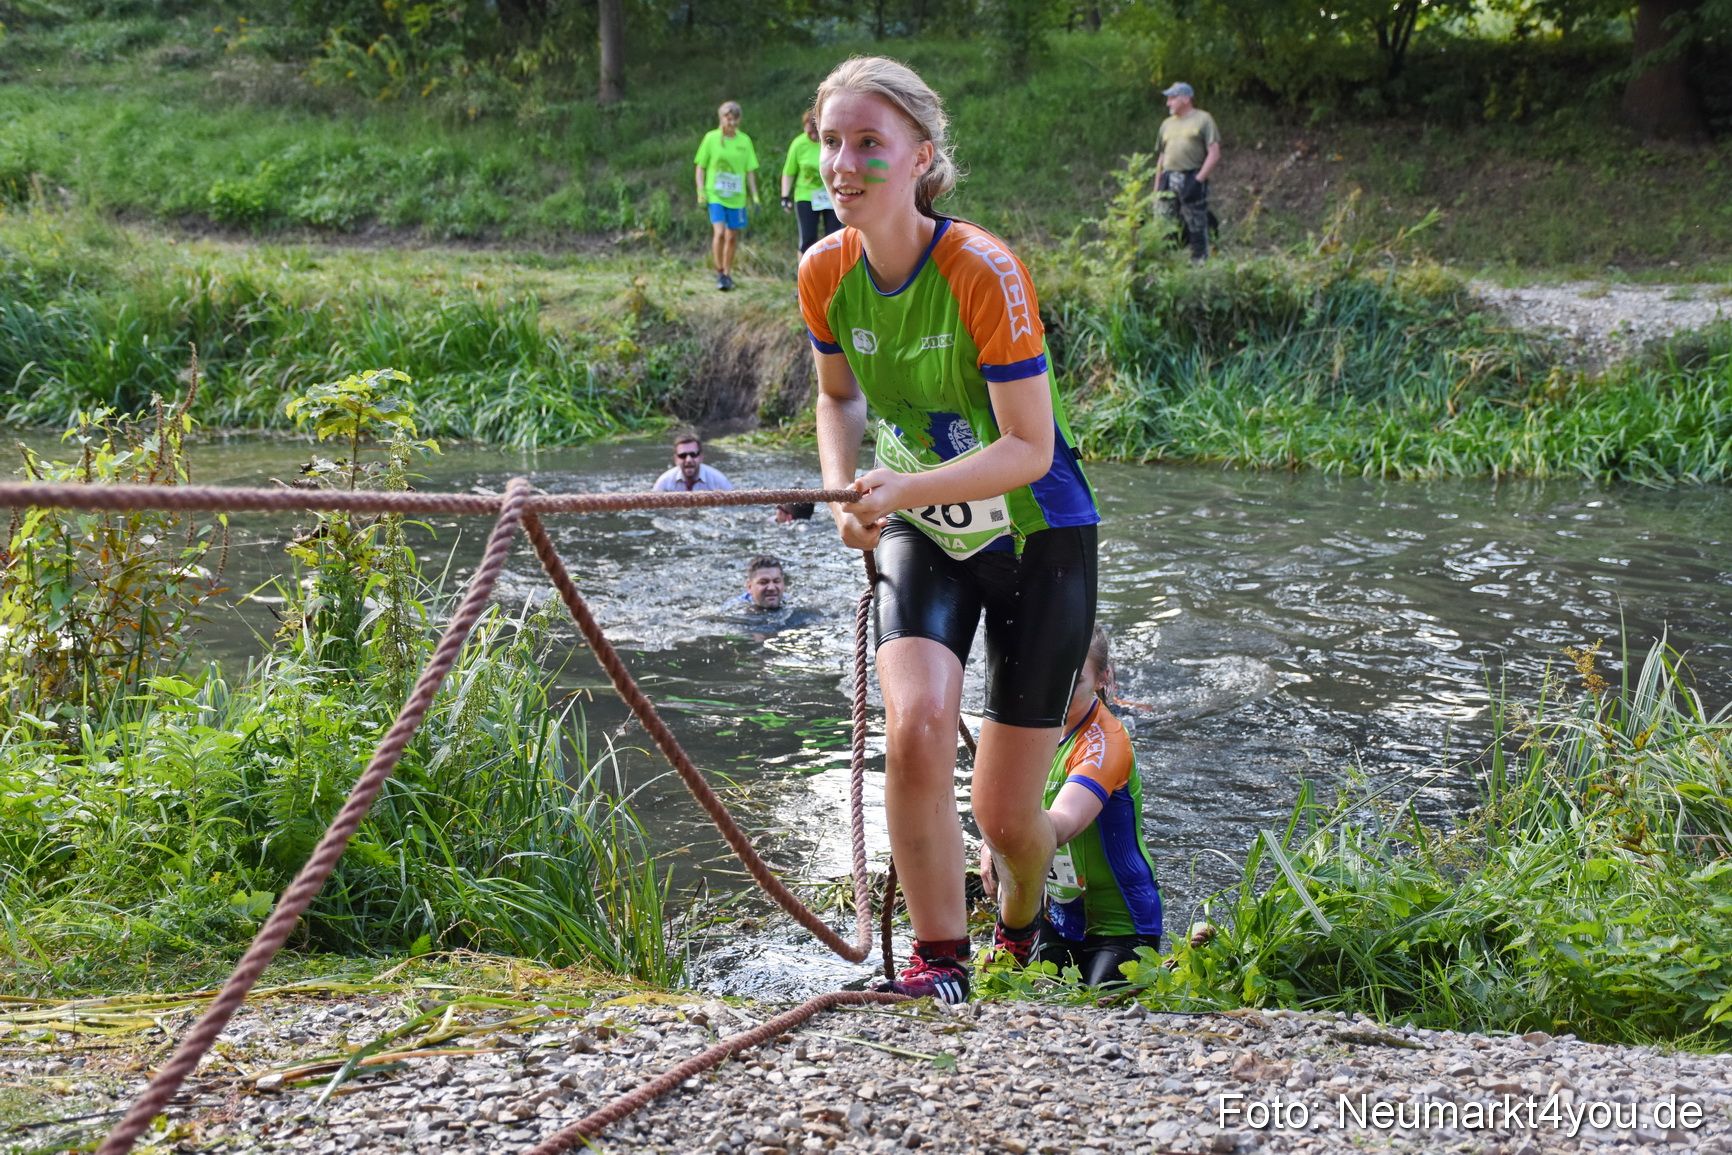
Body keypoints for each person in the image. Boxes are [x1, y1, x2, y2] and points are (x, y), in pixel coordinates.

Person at [800, 57, 1100, 1003]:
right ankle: (939, 963)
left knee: (1009, 818)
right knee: (918, 723)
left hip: (1038, 538)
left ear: (921, 157)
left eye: (868, 145)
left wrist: (903, 486)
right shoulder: (822, 272)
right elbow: (836, 396)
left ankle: (1023, 915)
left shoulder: (983, 268)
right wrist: (844, 490)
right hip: (917, 525)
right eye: (830, 143)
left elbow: (1027, 446)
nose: (843, 164)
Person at [980, 624, 1164, 986]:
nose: (1056, 693)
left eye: (1073, 680)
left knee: (1098, 1013)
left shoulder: (1105, 742)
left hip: (1123, 928)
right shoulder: (1030, 729)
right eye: (1049, 676)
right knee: (1009, 994)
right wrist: (991, 839)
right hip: (1058, 920)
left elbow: (1063, 822)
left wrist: (1005, 837)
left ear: (1102, 679)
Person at [694, 101, 760, 291]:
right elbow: (700, 166)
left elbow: (749, 171)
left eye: (734, 118)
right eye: (727, 118)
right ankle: (720, 272)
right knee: (720, 233)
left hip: (737, 196)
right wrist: (701, 191)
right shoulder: (711, 138)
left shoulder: (744, 141)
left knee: (732, 236)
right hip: (716, 194)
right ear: (721, 118)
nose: (731, 122)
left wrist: (755, 196)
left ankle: (728, 273)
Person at [1152, 82, 1221, 263]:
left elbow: (1214, 153)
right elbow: (1162, 156)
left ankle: (1199, 260)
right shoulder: (1166, 124)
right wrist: (1157, 186)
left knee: (1196, 222)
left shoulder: (1203, 119)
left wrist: (1198, 180)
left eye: (1173, 98)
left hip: (1191, 176)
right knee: (1163, 222)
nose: (1168, 103)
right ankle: (1164, 261)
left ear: (1186, 99)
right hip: (1168, 176)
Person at [782, 109, 839, 255]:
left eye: (815, 132)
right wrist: (785, 196)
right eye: (808, 132)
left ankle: (831, 276)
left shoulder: (831, 142)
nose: (812, 136)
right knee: (808, 239)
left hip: (830, 195)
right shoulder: (799, 144)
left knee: (833, 238)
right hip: (806, 195)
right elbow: (789, 172)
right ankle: (804, 276)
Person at [651, 434, 734, 492]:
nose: (688, 460)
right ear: (676, 459)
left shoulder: (719, 481)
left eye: (693, 454)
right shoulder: (664, 482)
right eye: (683, 455)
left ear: (701, 457)